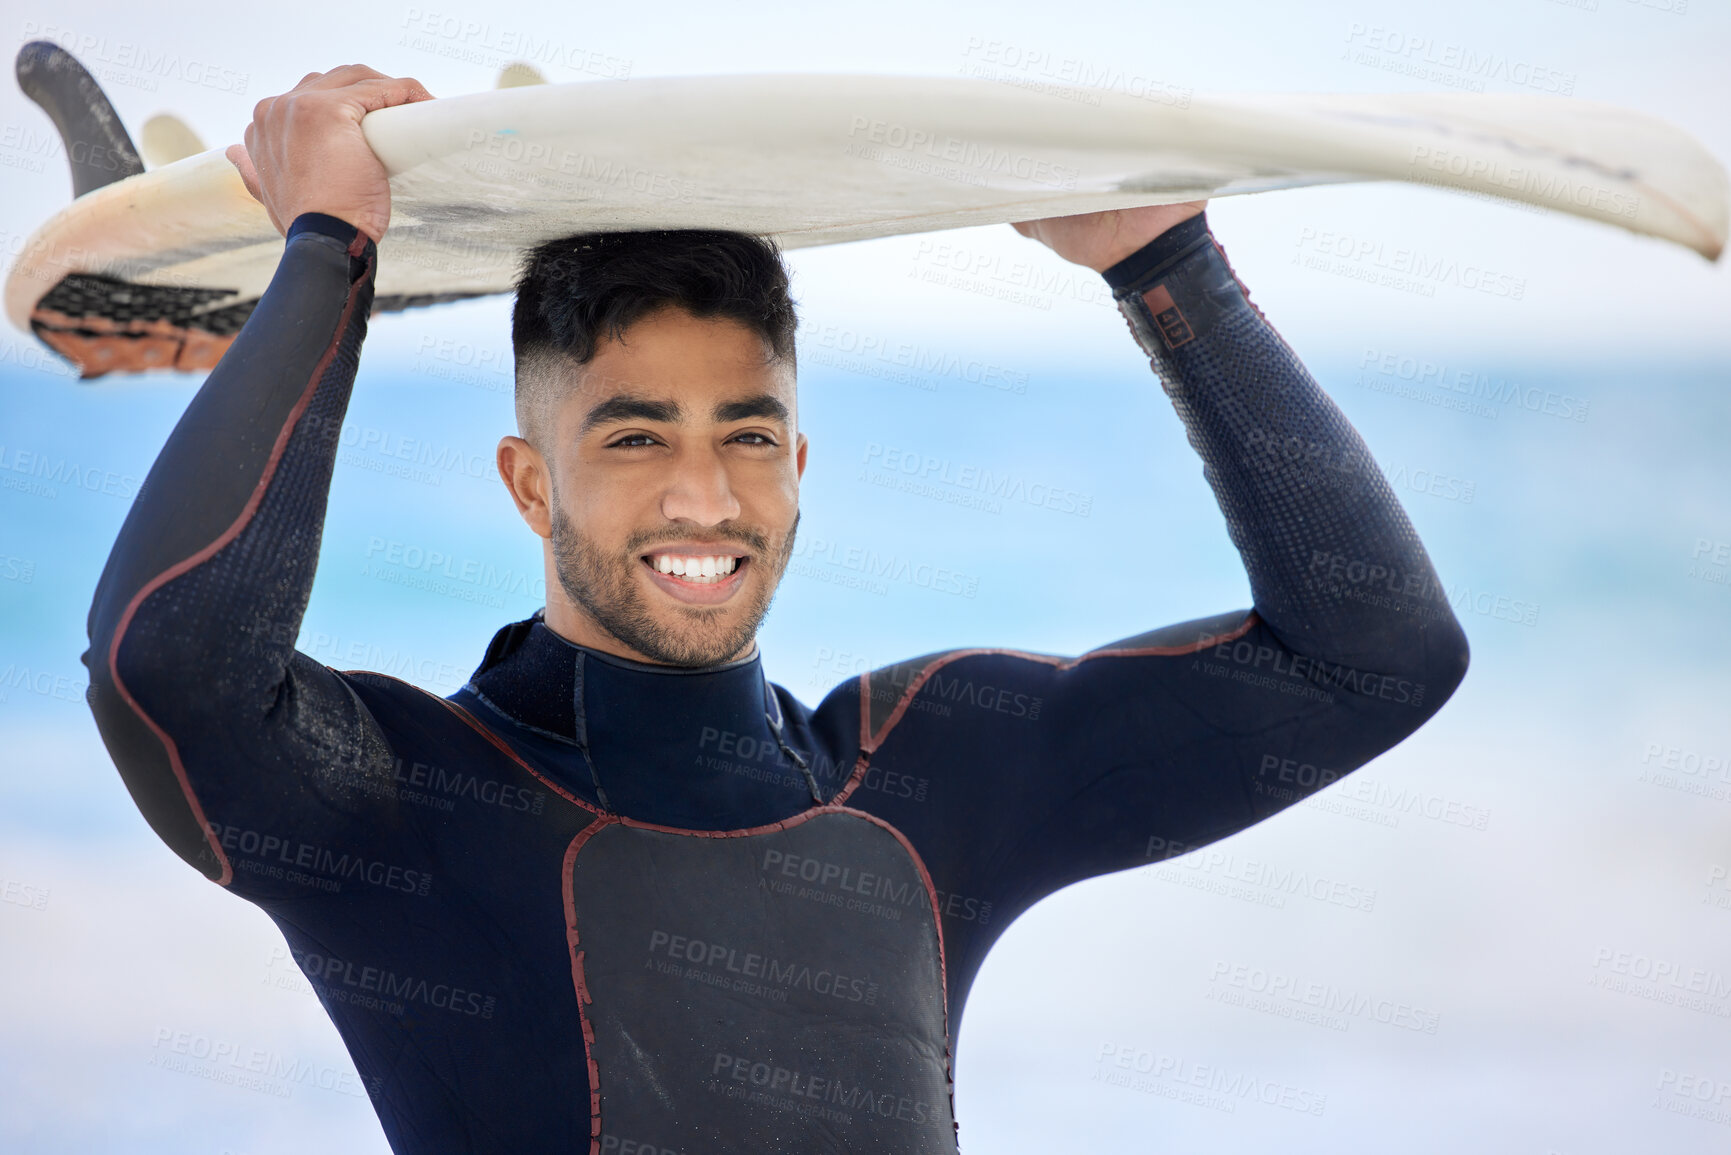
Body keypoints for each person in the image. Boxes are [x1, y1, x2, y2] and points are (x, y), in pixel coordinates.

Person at [81, 65, 1469, 1155]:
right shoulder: (399, 805)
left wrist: (1168, 267)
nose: (705, 496)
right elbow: (168, 664)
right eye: (633, 439)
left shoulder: (926, 775)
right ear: (526, 484)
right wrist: (327, 253)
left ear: (798, 463)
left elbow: (1375, 657)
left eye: (747, 436)